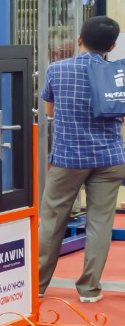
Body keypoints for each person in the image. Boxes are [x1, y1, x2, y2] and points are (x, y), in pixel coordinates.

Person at [38, 16, 125, 304]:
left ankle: (38, 284)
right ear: (111, 46)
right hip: (110, 157)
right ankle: (89, 289)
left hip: (69, 157)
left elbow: (50, 112)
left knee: (52, 220)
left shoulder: (57, 69)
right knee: (100, 223)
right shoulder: (118, 74)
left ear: (79, 39)